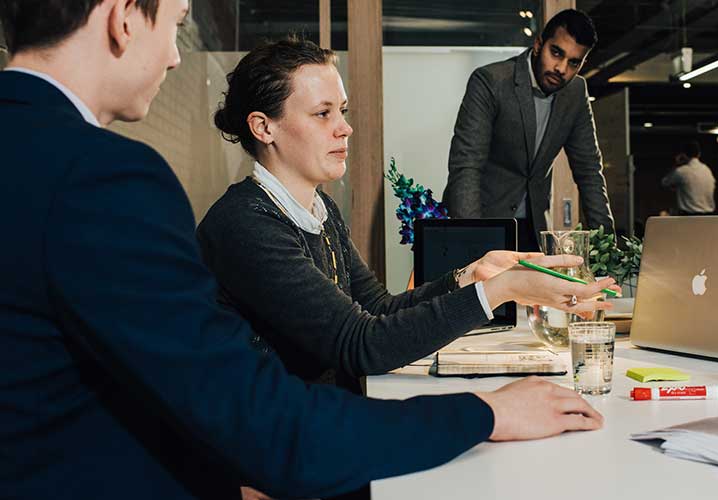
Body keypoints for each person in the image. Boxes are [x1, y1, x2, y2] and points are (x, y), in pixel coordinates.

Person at [0, 1, 606, 499]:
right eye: (176, 23)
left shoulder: (39, 155)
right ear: (123, 17)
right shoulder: (114, 180)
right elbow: (270, 410)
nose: (176, 54)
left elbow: (372, 313)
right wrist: (487, 409)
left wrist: (471, 277)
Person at [197, 38, 616, 398]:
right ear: (263, 127)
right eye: (323, 113)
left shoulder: (320, 211)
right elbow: (362, 344)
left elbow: (377, 309)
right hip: (275, 455)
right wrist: (499, 291)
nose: (345, 129)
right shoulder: (246, 224)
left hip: (320, 423)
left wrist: (474, 275)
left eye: (342, 111)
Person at [442, 9, 614, 251]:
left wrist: (607, 247)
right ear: (538, 44)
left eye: (574, 62)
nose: (561, 69)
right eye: (556, 53)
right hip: (480, 220)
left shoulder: (575, 93)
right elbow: (466, 165)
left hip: (532, 229)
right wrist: (474, 239)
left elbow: (589, 171)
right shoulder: (490, 82)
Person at [661, 141, 716, 215]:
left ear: (683, 155)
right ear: (699, 154)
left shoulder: (681, 171)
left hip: (689, 217)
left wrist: (676, 164)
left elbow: (665, 182)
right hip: (708, 215)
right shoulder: (707, 170)